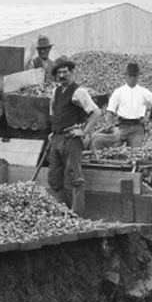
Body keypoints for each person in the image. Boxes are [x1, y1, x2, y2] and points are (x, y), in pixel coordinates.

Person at [45, 58, 99, 209]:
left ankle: (77, 215)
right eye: (59, 73)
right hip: (57, 138)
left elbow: (96, 112)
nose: (62, 75)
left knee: (74, 177)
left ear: (71, 72)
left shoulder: (78, 92)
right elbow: (54, 113)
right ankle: (64, 211)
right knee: (54, 178)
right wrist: (53, 132)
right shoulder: (56, 91)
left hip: (71, 139)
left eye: (65, 72)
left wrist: (83, 132)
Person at [104, 62, 152, 148]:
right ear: (126, 76)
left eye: (134, 76)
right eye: (130, 75)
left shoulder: (144, 92)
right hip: (122, 126)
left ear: (138, 76)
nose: (132, 78)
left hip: (137, 127)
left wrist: (149, 116)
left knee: (136, 152)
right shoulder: (118, 92)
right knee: (114, 151)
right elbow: (110, 111)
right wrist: (111, 126)